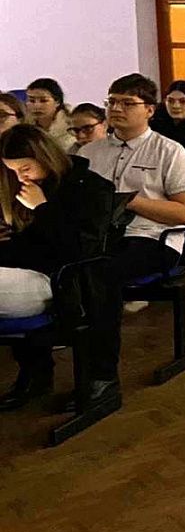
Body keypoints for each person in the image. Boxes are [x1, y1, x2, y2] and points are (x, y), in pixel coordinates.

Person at [0, 125, 120, 410]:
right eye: (13, 170)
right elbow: (27, 245)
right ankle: (36, 373)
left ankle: (100, 379)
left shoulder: (89, 187)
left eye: (25, 168)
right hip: (31, 270)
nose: (21, 176)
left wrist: (42, 208)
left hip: (70, 278)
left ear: (45, 156)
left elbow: (79, 248)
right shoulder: (26, 187)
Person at [80, 74, 185, 324]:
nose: (116, 109)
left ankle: (100, 338)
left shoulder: (170, 152)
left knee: (101, 272)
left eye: (127, 103)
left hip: (152, 237)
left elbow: (184, 213)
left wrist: (128, 201)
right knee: (60, 263)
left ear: (149, 110)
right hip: (98, 235)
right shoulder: (89, 153)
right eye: (112, 102)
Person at [25, 78, 74, 152]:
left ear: (57, 102)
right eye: (32, 101)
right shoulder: (24, 125)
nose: (37, 106)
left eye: (43, 101)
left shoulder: (71, 126)